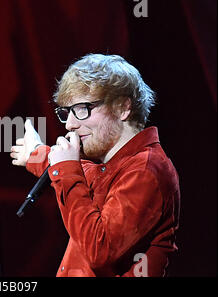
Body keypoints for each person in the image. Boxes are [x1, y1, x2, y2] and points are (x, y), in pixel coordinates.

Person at [10, 54, 180, 277]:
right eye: (66, 112)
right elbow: (83, 173)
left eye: (82, 108)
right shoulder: (110, 166)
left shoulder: (146, 170)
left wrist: (66, 170)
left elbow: (100, 249)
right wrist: (37, 155)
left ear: (122, 108)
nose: (70, 124)